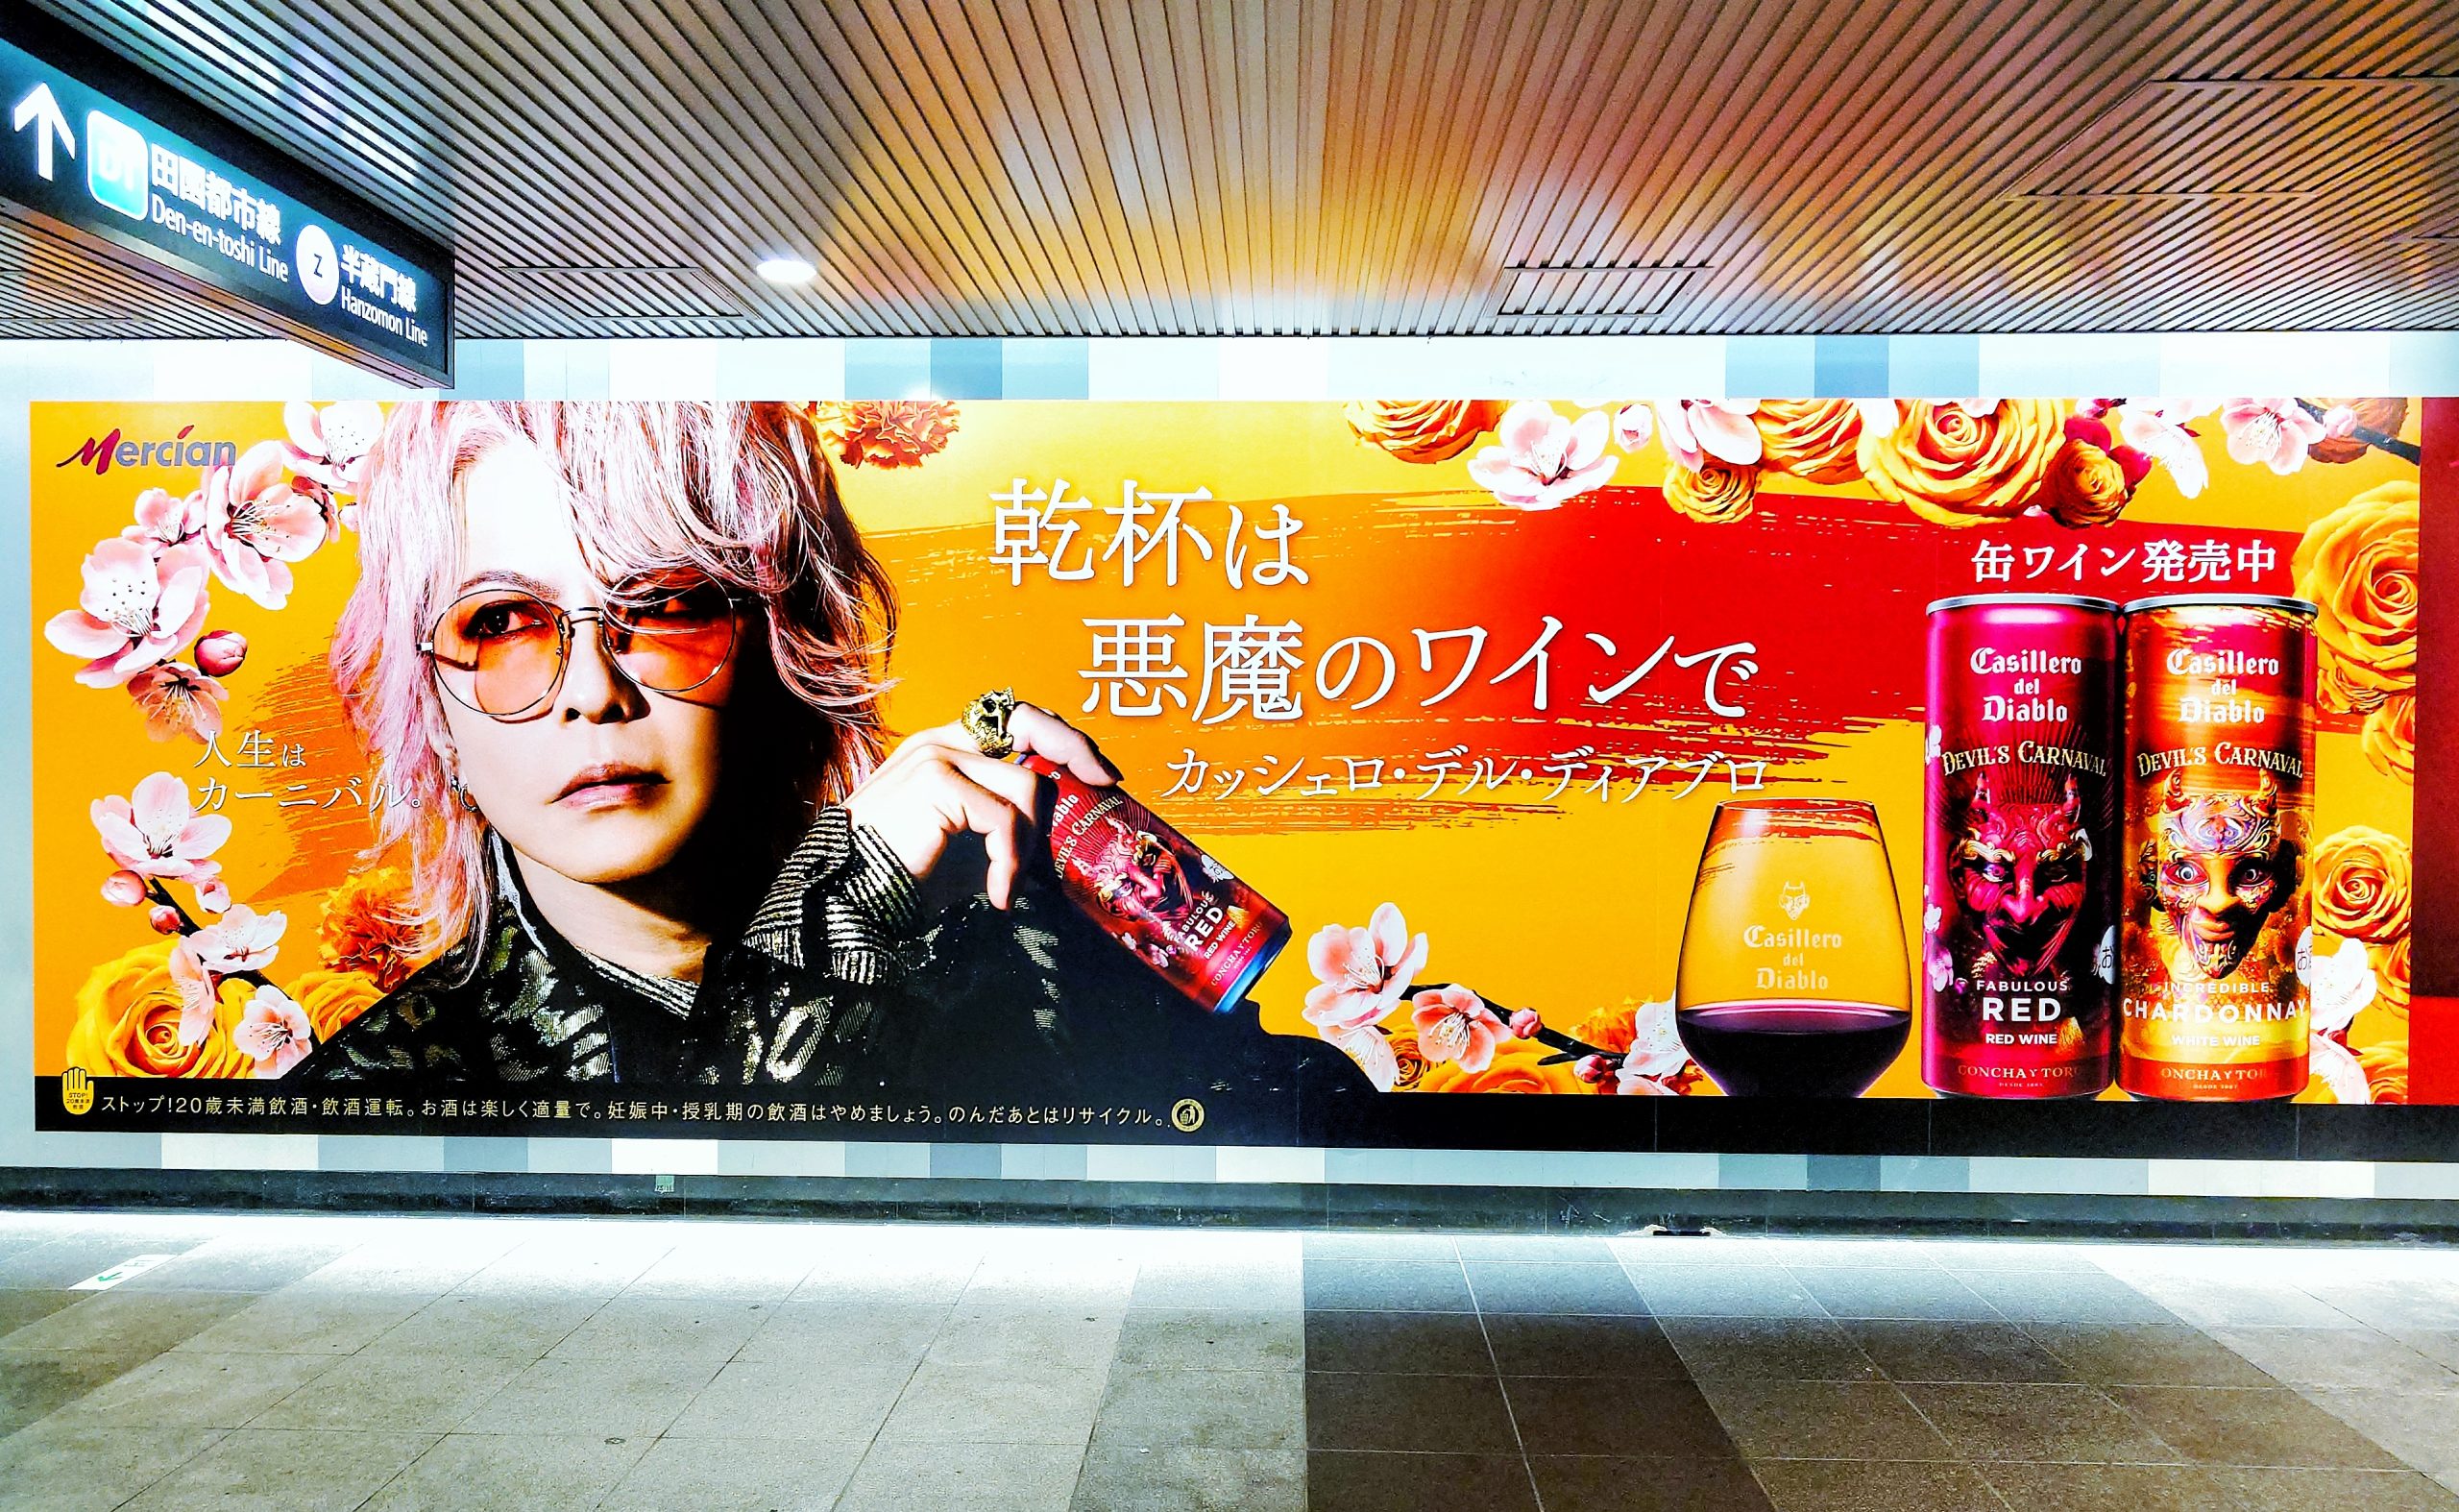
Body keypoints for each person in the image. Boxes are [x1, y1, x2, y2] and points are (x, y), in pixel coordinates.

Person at [295, 401, 1355, 1115]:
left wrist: (1093, 935)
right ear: (435, 711)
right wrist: (832, 923)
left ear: (784, 646)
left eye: (665, 606)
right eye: (500, 624)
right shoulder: (373, 1089)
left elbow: (1320, 1141)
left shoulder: (998, 933)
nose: (592, 691)